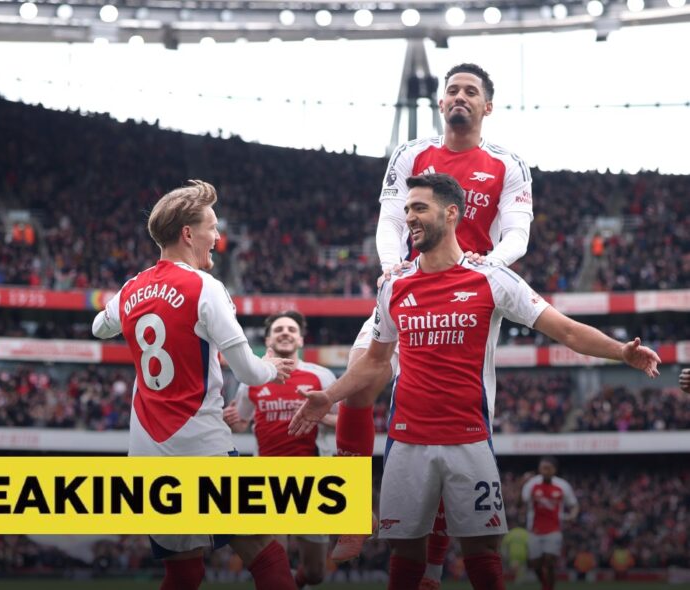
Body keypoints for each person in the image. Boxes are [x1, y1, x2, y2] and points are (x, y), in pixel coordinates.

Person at [289, 173, 661, 590]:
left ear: (451, 213)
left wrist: (621, 352)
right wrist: (330, 395)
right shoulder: (394, 285)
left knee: (483, 551)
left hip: (469, 439)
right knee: (404, 553)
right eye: (407, 208)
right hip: (406, 442)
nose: (409, 217)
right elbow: (376, 363)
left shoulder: (492, 277)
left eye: (419, 208)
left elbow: (566, 331)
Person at [333, 63, 535, 583]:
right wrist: (388, 264)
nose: (460, 97)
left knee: (452, 427)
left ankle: (432, 565)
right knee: (359, 381)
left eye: (471, 91)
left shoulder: (506, 165)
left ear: (487, 106)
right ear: (441, 104)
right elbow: (390, 220)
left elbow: (517, 232)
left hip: (470, 301)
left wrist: (487, 265)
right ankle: (354, 515)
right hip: (410, 288)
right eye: (452, 91)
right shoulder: (410, 156)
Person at [92, 180, 299, 590]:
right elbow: (250, 373)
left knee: (183, 571)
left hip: (147, 454)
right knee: (263, 549)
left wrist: (124, 302)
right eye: (213, 227)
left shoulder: (133, 288)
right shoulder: (205, 287)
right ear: (188, 234)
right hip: (201, 446)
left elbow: (99, 327)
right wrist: (273, 367)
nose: (217, 237)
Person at [223, 310, 337, 589]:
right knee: (276, 563)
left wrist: (317, 416)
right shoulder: (253, 379)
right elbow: (242, 424)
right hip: (267, 478)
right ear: (268, 339)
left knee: (315, 573)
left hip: (312, 480)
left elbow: (345, 422)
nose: (285, 332)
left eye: (291, 329)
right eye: (278, 329)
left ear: (300, 339)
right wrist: (232, 422)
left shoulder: (321, 377)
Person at [521, 457, 578, 590]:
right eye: (542, 468)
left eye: (548, 468)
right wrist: (522, 484)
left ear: (554, 470)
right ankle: (545, 584)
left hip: (554, 529)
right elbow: (521, 502)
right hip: (534, 529)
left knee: (550, 560)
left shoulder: (562, 485)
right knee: (535, 564)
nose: (545, 471)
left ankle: (549, 587)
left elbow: (574, 504)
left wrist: (572, 515)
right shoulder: (532, 484)